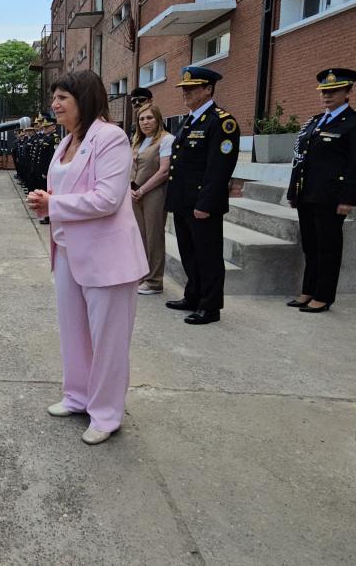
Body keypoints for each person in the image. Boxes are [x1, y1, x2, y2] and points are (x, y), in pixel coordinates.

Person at [25, 70, 147, 445]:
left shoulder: (110, 138)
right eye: (54, 97)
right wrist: (46, 206)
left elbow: (108, 198)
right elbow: (64, 191)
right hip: (68, 252)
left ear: (85, 100)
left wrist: (55, 203)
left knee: (108, 341)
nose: (55, 104)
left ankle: (106, 414)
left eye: (63, 97)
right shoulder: (67, 143)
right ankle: (77, 396)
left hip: (106, 258)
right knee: (73, 331)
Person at [285, 69, 356, 313]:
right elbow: (300, 159)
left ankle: (323, 295)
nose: (327, 96)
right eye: (324, 91)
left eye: (334, 91)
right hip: (307, 194)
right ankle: (308, 290)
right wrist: (293, 192)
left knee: (328, 247)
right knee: (310, 246)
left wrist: (349, 197)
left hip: (331, 197)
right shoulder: (315, 122)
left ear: (348, 92)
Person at [164, 66, 240, 325]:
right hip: (184, 201)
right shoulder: (190, 120)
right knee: (189, 253)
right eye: (184, 88)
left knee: (208, 256)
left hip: (202, 204)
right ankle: (193, 296)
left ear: (208, 89)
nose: (186, 92)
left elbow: (219, 169)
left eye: (192, 88)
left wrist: (205, 203)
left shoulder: (221, 121)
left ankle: (210, 306)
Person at [129, 92, 173, 295]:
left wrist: (143, 190)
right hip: (135, 193)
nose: (145, 122)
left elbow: (164, 171)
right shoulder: (138, 140)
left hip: (154, 193)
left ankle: (155, 281)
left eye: (149, 118)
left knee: (154, 236)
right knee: (140, 235)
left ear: (158, 119)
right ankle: (142, 274)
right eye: (141, 119)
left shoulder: (166, 140)